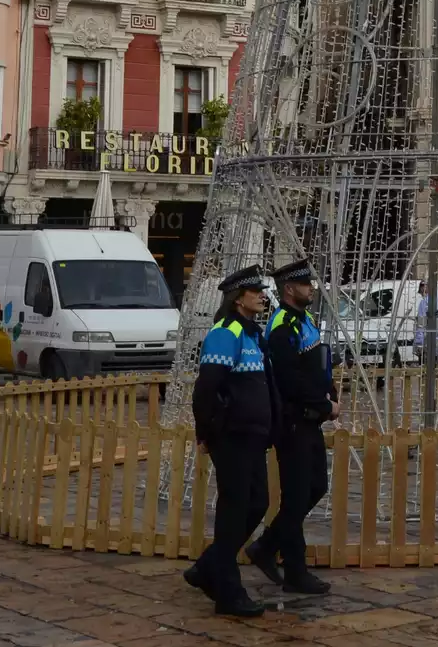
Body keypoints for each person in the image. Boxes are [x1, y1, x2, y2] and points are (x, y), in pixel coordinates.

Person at [184, 265, 278, 617]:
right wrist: (205, 432)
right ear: (239, 298)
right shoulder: (225, 333)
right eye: (256, 292)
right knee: (235, 508)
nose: (263, 297)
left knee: (256, 503)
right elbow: (206, 388)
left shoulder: (252, 334)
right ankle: (227, 591)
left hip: (252, 437)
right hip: (232, 437)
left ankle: (209, 567)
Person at [245, 258, 339, 595]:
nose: (311, 288)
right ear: (289, 289)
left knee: (314, 489)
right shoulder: (282, 324)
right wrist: (323, 403)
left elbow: (316, 362)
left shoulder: (305, 319)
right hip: (293, 421)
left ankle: (267, 547)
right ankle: (294, 570)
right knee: (298, 495)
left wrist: (330, 392)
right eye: (305, 284)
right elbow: (289, 378)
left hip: (310, 420)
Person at [415, 281, 438, 410]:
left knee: (429, 377)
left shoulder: (424, 303)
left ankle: (432, 405)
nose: (421, 294)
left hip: (430, 347)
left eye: (421, 291)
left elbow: (421, 325)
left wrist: (419, 345)